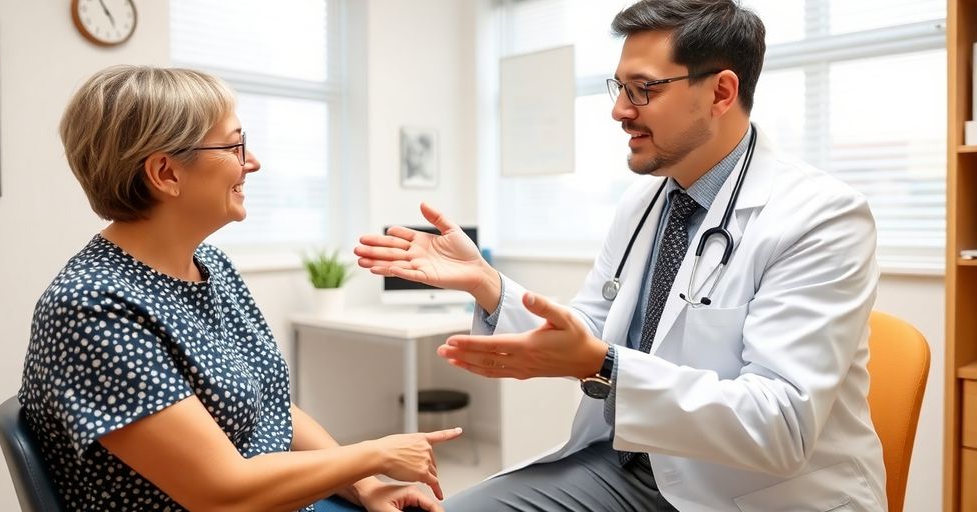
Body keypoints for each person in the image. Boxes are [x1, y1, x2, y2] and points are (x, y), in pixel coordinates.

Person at [355, 1, 886, 510]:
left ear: (722, 92)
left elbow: (781, 426)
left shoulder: (822, 217)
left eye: (643, 90)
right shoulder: (644, 201)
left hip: (749, 494)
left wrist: (603, 366)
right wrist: (487, 284)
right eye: (619, 88)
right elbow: (595, 325)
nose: (619, 111)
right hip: (625, 467)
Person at [19, 65, 460, 512]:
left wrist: (366, 485)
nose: (252, 162)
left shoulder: (211, 266)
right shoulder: (91, 307)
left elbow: (272, 407)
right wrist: (375, 454)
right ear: (166, 173)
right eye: (235, 145)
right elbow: (220, 493)